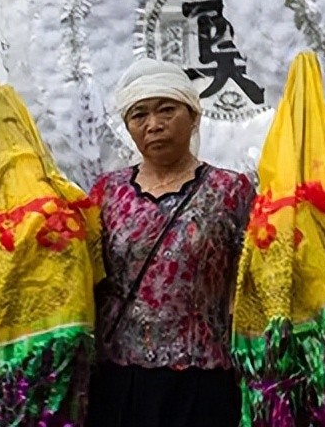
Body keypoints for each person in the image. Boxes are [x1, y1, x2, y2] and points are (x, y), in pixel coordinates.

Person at [86, 59, 256, 427]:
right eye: (139, 115)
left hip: (202, 376)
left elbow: (253, 285)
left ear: (193, 115)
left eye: (167, 110)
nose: (154, 125)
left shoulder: (232, 191)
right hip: (120, 376)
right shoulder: (106, 193)